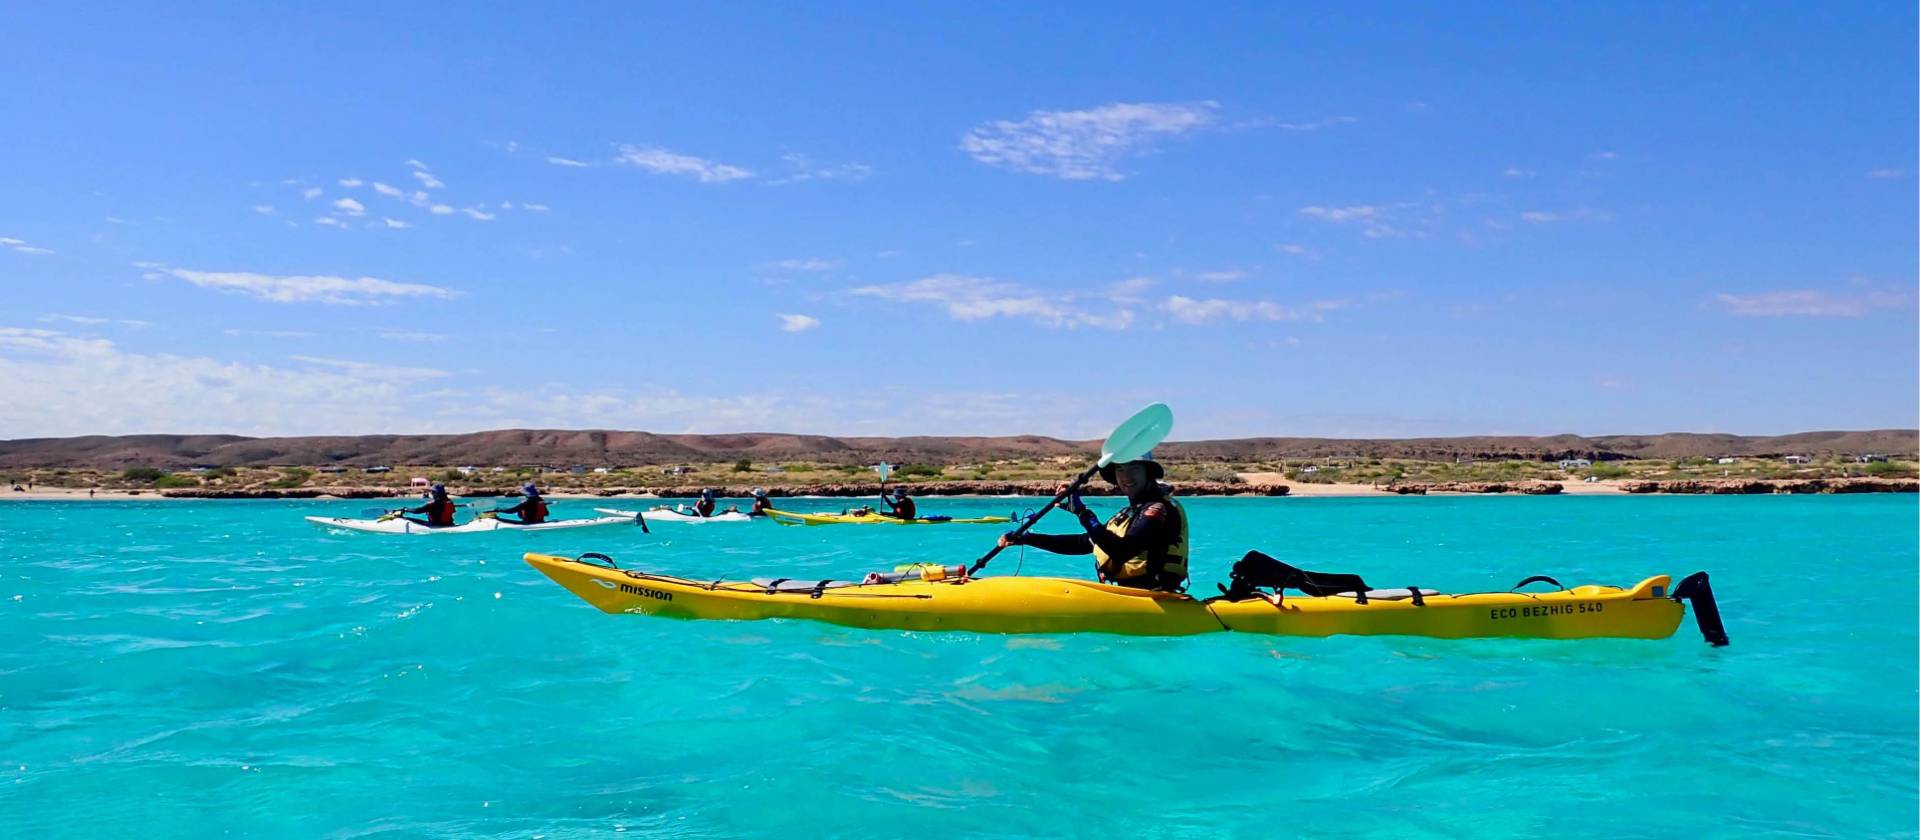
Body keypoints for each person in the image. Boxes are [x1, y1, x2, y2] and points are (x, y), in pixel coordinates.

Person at [996, 454, 1189, 591]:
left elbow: (1121, 551)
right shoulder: (1131, 512)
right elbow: (1083, 543)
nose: (1126, 477)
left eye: (1134, 468)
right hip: (1129, 594)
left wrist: (1081, 512)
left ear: (1148, 473)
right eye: (1120, 469)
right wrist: (1028, 538)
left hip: (1156, 595)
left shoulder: (1158, 509)